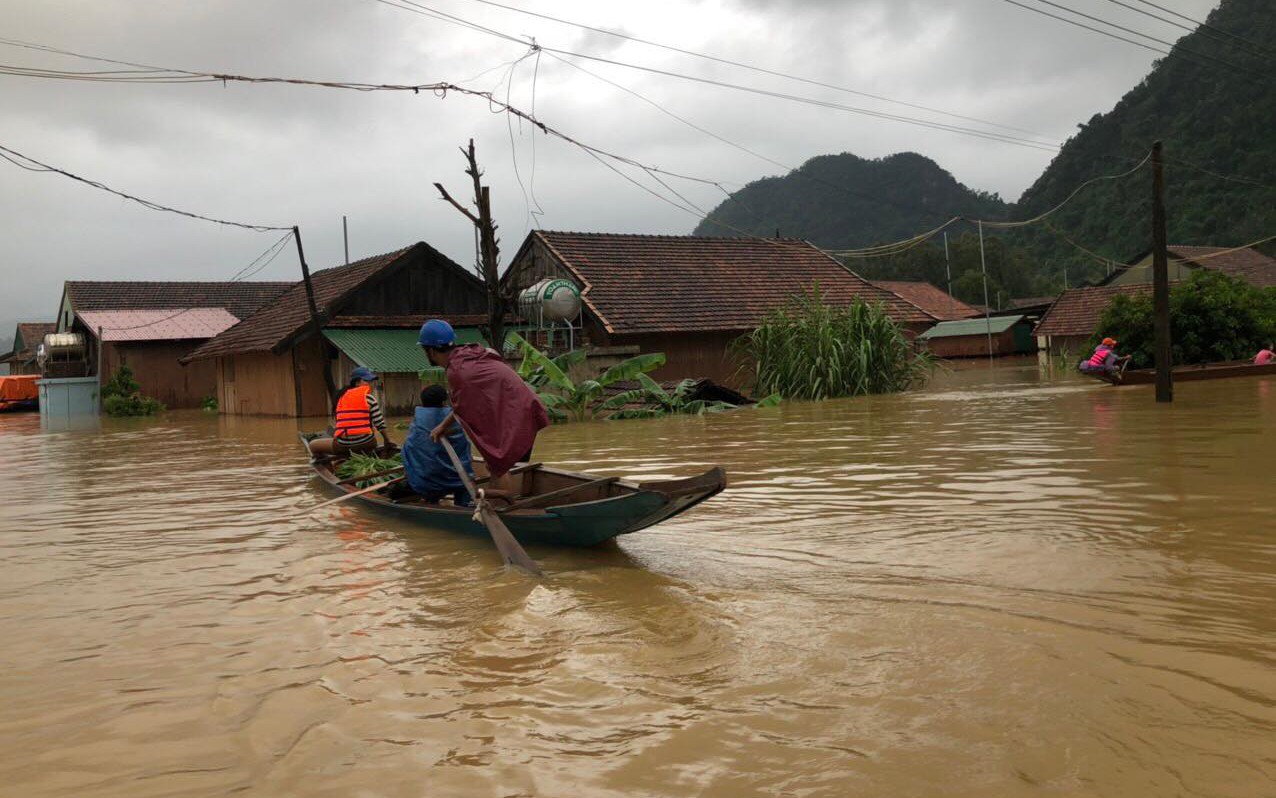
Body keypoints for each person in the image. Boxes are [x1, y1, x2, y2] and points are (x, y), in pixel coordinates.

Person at [418, 319, 548, 495]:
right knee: (496, 464)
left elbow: (465, 411)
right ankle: (505, 501)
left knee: (497, 466)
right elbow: (463, 406)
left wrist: (446, 427)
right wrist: (443, 426)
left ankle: (502, 507)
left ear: (431, 351)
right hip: (524, 409)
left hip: (516, 414)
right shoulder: (468, 353)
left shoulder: (457, 371)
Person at [395, 384, 472, 506]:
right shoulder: (454, 418)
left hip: (426, 482)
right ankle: (463, 505)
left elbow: (408, 451)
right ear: (444, 401)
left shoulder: (418, 421)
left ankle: (431, 500)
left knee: (410, 452)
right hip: (459, 480)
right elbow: (465, 449)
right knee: (464, 482)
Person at [309, 367, 394, 456]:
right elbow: (380, 424)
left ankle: (329, 461)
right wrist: (387, 440)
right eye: (367, 381)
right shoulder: (370, 399)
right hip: (367, 444)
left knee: (312, 445)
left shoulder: (341, 398)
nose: (371, 384)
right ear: (357, 383)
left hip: (344, 446)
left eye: (372, 381)